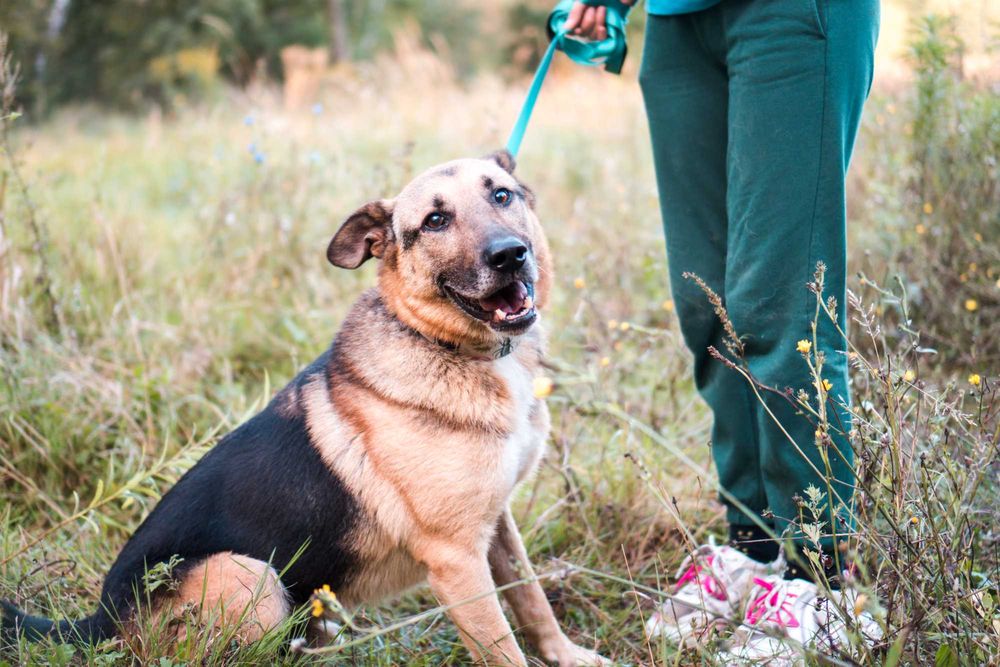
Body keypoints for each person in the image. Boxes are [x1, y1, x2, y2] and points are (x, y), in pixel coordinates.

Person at [562, 0, 881, 661]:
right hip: (679, 20)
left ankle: (819, 576)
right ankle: (757, 546)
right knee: (706, 303)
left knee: (780, 301)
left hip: (790, 14)